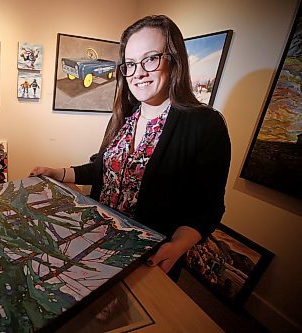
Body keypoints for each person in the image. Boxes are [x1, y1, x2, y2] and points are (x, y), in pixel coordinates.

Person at [29, 15, 231, 281]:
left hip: (149, 257)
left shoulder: (205, 124)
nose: (138, 73)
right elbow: (103, 169)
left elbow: (208, 208)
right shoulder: (126, 115)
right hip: (99, 239)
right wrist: (59, 172)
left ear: (174, 60)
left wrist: (178, 246)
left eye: (150, 58)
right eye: (131, 64)